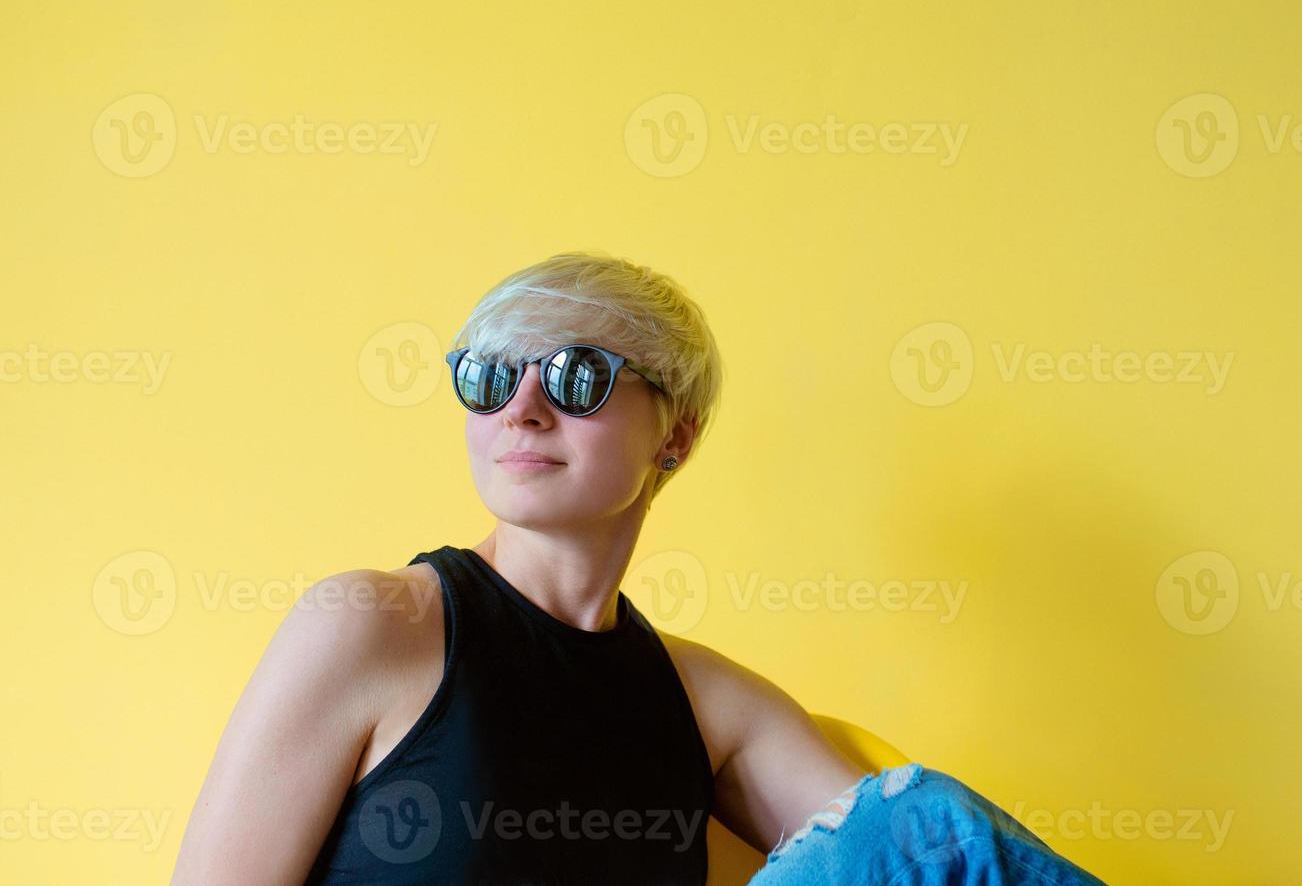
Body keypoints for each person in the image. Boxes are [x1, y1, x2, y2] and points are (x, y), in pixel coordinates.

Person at [169, 251, 1104, 884]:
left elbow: (915, 856)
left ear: (677, 432)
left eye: (577, 377)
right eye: (490, 377)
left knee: (923, 820)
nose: (522, 409)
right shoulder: (373, 624)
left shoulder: (709, 706)